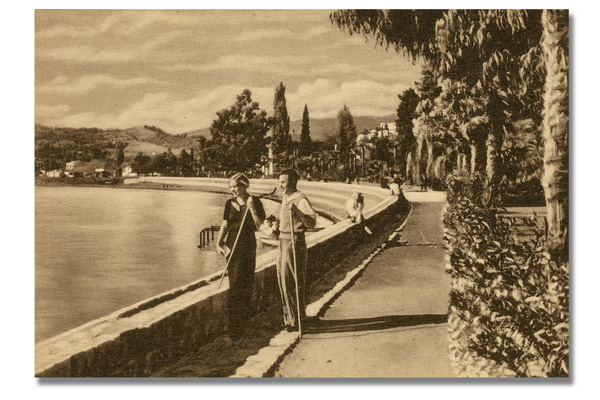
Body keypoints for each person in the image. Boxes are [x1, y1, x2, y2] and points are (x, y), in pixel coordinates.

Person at [216, 173, 265, 341]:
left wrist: (251, 208)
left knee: (246, 283)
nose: (232, 190)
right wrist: (218, 243)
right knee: (234, 283)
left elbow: (260, 225)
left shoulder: (255, 202)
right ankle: (234, 329)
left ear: (244, 186)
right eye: (230, 187)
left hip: (247, 245)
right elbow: (225, 224)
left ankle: (243, 324)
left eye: (234, 187)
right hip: (232, 246)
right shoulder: (230, 203)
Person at [276, 168, 317, 332]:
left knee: (293, 281)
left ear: (293, 182)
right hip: (282, 240)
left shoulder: (301, 200)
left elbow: (312, 223)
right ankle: (289, 319)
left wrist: (297, 211)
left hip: (294, 242)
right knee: (282, 280)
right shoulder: (286, 196)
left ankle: (298, 320)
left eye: (283, 182)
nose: (280, 185)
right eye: (279, 182)